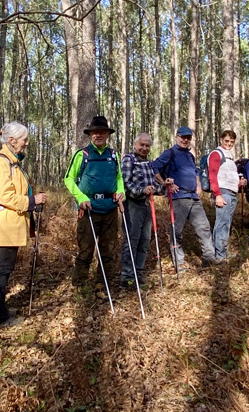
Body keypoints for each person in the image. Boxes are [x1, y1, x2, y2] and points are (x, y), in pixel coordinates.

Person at [0, 122, 47, 327]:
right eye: (24, 140)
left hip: (12, 223)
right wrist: (32, 201)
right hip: (4, 225)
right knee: (2, 269)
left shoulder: (13, 162)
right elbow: (5, 196)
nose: (27, 143)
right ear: (12, 141)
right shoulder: (0, 162)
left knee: (5, 267)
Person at [64, 116, 127, 293]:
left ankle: (102, 284)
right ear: (90, 134)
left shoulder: (113, 155)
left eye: (102, 131)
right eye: (94, 132)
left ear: (107, 134)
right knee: (86, 250)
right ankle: (80, 285)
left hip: (110, 210)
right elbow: (68, 179)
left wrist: (121, 191)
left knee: (107, 251)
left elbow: (119, 177)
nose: (98, 135)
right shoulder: (82, 155)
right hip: (89, 209)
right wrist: (80, 197)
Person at [149, 126, 220, 267]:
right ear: (177, 137)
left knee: (204, 227)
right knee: (177, 231)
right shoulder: (169, 153)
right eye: (183, 137)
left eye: (188, 138)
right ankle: (179, 263)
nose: (185, 140)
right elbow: (153, 167)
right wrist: (164, 183)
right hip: (177, 198)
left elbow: (195, 171)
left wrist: (198, 184)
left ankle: (209, 257)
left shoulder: (190, 155)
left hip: (193, 197)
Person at [120, 133, 163, 287]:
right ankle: (127, 277)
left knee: (144, 242)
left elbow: (154, 187)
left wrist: (164, 186)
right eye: (142, 145)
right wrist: (141, 190)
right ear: (135, 144)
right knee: (131, 241)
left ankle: (138, 274)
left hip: (147, 206)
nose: (144, 148)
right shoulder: (128, 160)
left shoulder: (149, 163)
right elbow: (125, 184)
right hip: (132, 206)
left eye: (147, 146)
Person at [206, 130, 241, 260]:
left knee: (227, 223)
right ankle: (219, 255)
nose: (229, 143)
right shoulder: (216, 154)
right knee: (221, 223)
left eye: (232, 141)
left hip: (231, 193)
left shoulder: (229, 156)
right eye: (226, 141)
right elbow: (212, 175)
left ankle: (223, 252)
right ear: (221, 140)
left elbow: (228, 175)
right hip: (223, 192)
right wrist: (218, 194)